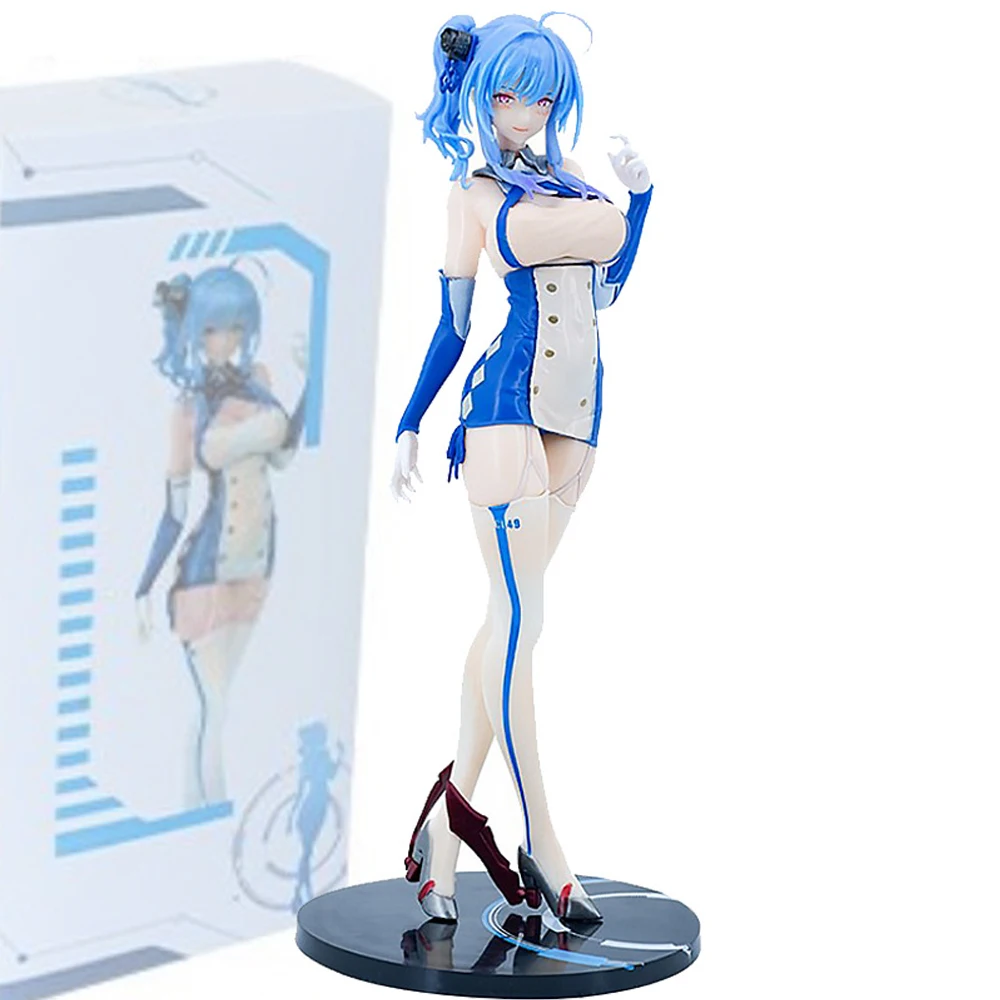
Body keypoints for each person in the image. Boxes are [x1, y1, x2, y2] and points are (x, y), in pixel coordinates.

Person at [392, 13, 652, 923]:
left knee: (511, 621)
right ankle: (544, 839)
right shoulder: (471, 195)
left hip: (581, 417)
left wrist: (643, 202)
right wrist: (410, 421)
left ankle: (445, 823)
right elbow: (454, 325)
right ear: (480, 95)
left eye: (541, 97)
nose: (526, 111)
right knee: (522, 618)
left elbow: (607, 289)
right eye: (508, 94)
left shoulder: (573, 179)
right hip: (503, 407)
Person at [136, 265, 307, 806]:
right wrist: (144, 586)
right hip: (207, 572)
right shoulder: (188, 410)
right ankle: (213, 812)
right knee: (215, 706)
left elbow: (283, 455)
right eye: (213, 329)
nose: (225, 340)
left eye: (235, 327)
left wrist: (310, 387)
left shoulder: (261, 381)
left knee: (216, 707)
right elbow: (174, 512)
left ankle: (196, 814)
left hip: (256, 565)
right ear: (193, 331)